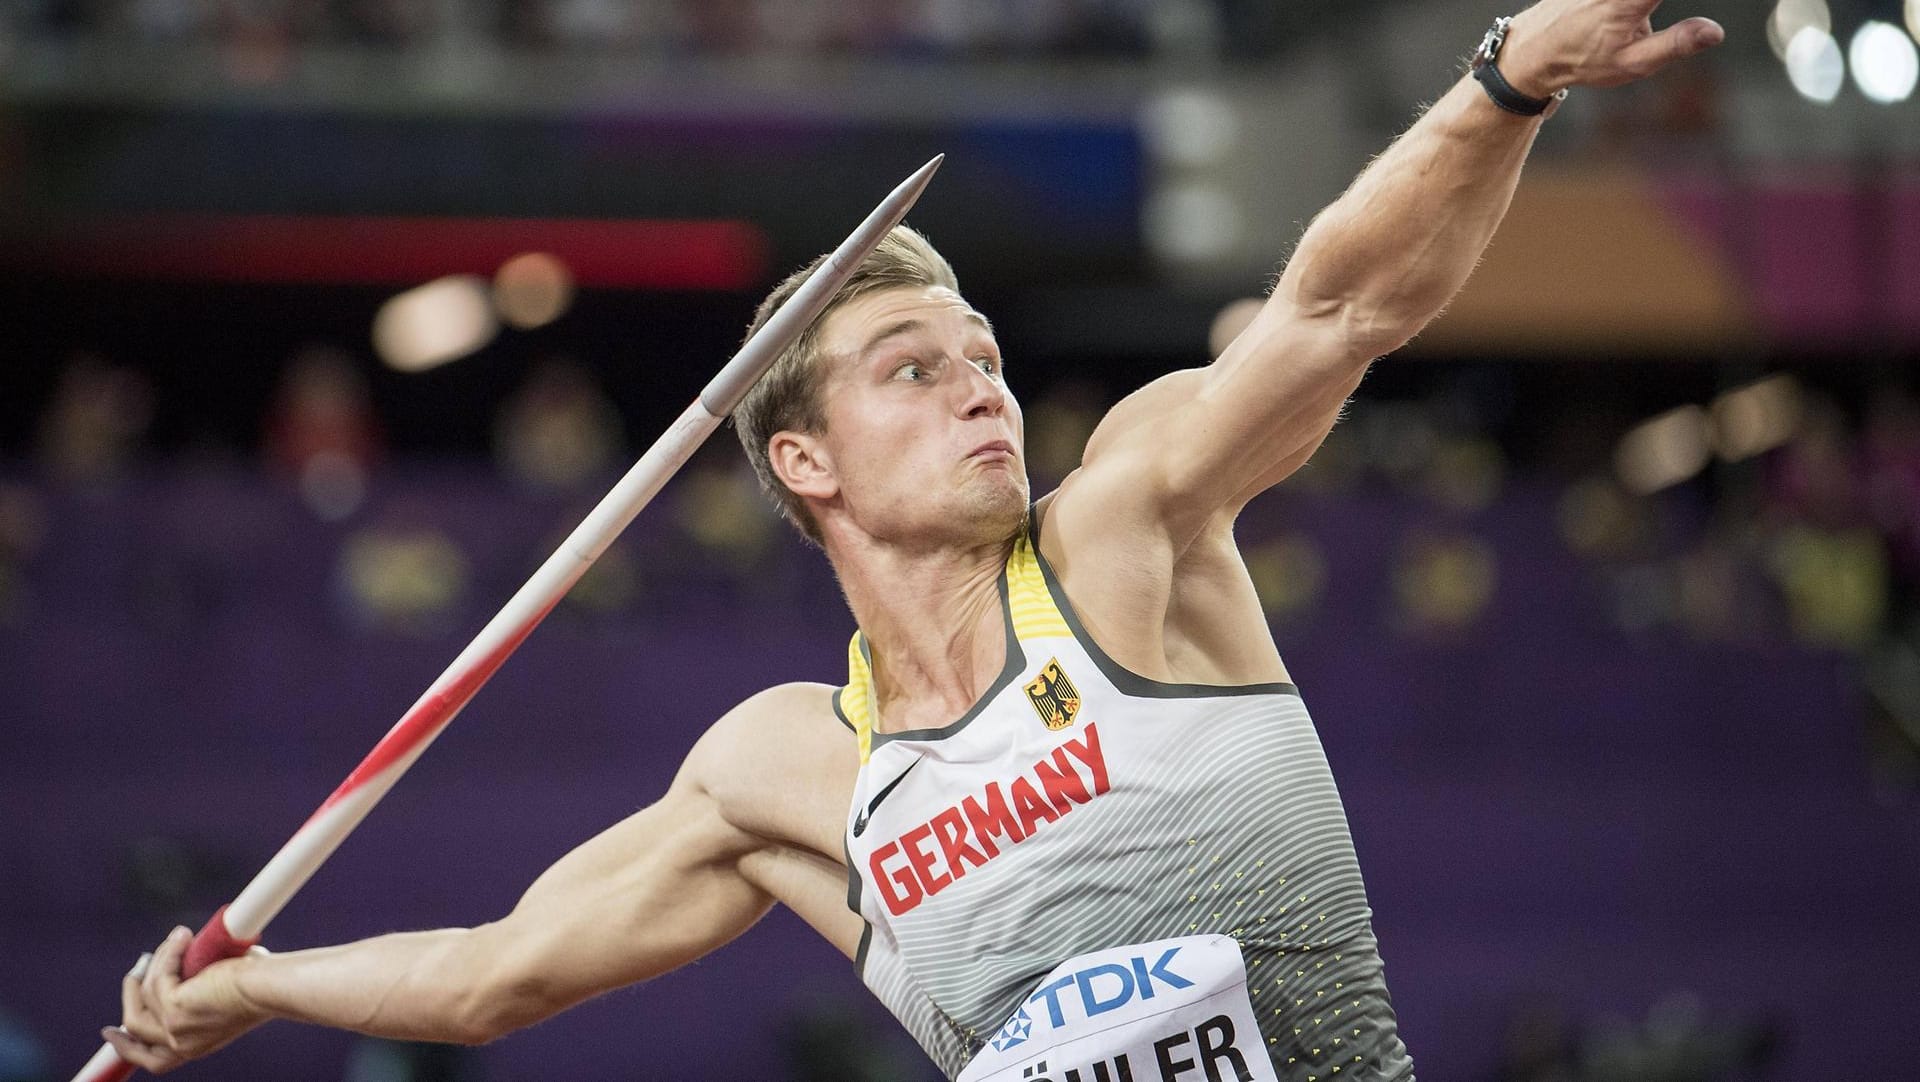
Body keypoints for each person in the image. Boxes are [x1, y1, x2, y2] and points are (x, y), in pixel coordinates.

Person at [105, 1, 1723, 1077]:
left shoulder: (1121, 534)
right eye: (914, 369)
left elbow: (1343, 303)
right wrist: (245, 985)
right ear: (801, 459)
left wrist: (1506, 77)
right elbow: (495, 971)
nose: (983, 390)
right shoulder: (784, 776)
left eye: (984, 358)